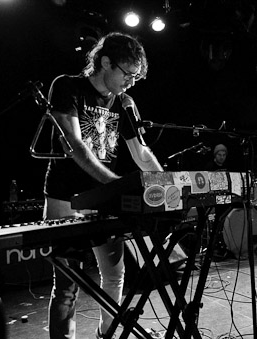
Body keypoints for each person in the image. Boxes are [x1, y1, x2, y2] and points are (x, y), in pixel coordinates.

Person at [43, 32, 164, 339]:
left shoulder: (125, 102)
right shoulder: (68, 87)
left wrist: (166, 187)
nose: (132, 82)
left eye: (137, 77)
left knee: (115, 276)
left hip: (103, 198)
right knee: (67, 286)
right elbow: (74, 145)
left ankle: (107, 334)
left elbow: (141, 152)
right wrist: (115, 184)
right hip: (65, 196)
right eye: (128, 74)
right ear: (105, 62)